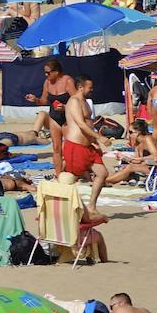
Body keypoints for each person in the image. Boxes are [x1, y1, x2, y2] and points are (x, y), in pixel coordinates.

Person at [62, 76, 109, 218]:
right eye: (90, 87)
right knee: (70, 179)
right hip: (76, 146)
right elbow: (81, 124)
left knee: (102, 173)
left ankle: (92, 206)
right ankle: (61, 207)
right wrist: (98, 137)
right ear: (80, 87)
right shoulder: (74, 102)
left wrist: (94, 143)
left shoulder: (86, 102)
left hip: (88, 146)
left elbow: (89, 123)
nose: (92, 89)